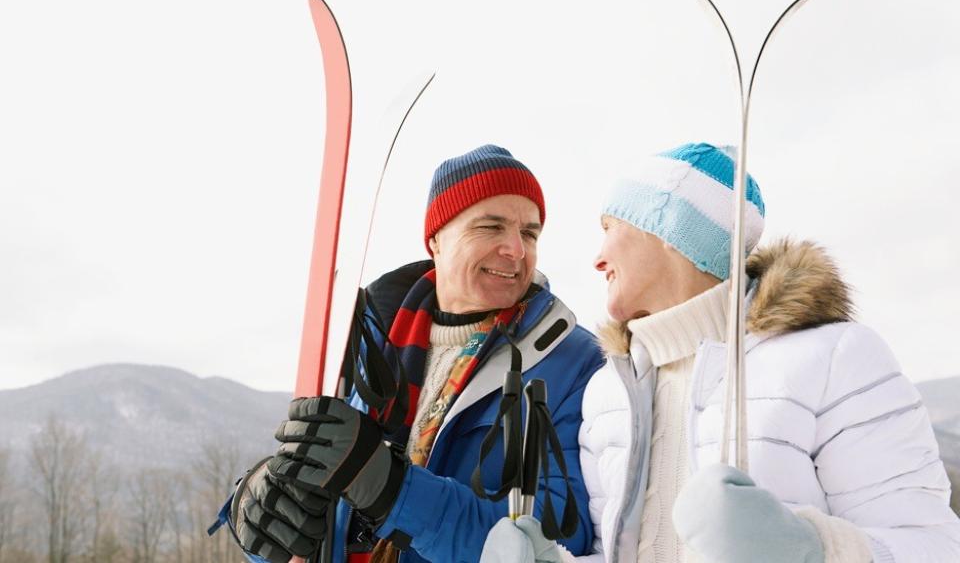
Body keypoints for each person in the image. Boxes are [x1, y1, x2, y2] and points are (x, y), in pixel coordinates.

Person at [480, 142, 960, 562]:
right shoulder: (609, 390)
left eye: (610, 228)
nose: (598, 257)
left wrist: (810, 550)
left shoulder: (835, 359)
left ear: (668, 231)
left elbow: (934, 546)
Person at [220, 145, 605, 563]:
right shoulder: (365, 341)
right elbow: (310, 489)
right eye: (491, 227)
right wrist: (256, 509)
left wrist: (394, 492)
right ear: (436, 239)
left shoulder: (572, 360)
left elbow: (565, 537)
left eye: (529, 233)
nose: (515, 248)